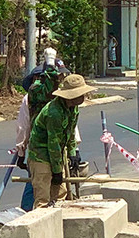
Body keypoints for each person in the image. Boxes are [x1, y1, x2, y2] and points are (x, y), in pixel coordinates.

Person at [28, 74, 94, 208]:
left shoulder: (73, 109)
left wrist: (72, 153)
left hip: (57, 155)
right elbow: (53, 144)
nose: (83, 97)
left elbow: (70, 133)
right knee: (43, 199)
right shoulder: (54, 113)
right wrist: (57, 171)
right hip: (41, 155)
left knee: (60, 195)